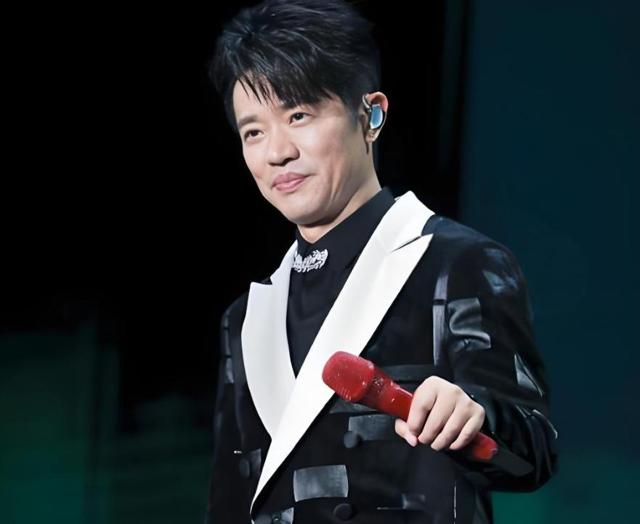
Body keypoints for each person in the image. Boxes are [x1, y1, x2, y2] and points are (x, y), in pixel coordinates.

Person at [204, 1, 559, 523]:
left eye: (298, 115)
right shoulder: (246, 318)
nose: (276, 152)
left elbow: (534, 453)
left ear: (370, 115)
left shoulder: (457, 262)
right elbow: (229, 503)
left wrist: (474, 416)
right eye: (253, 132)